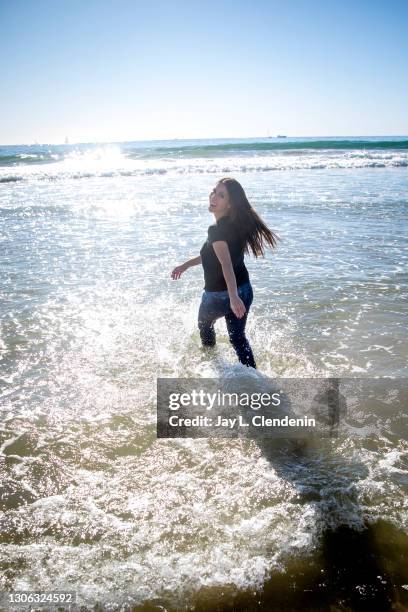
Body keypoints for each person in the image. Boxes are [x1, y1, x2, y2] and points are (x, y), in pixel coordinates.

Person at [171, 178, 278, 368]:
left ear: (229, 204)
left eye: (221, 195)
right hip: (244, 290)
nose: (213, 197)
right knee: (238, 339)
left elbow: (226, 264)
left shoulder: (215, 230)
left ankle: (211, 364)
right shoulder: (234, 224)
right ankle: (252, 376)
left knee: (205, 326)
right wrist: (186, 265)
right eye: (214, 191)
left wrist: (232, 297)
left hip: (221, 295)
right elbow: (212, 255)